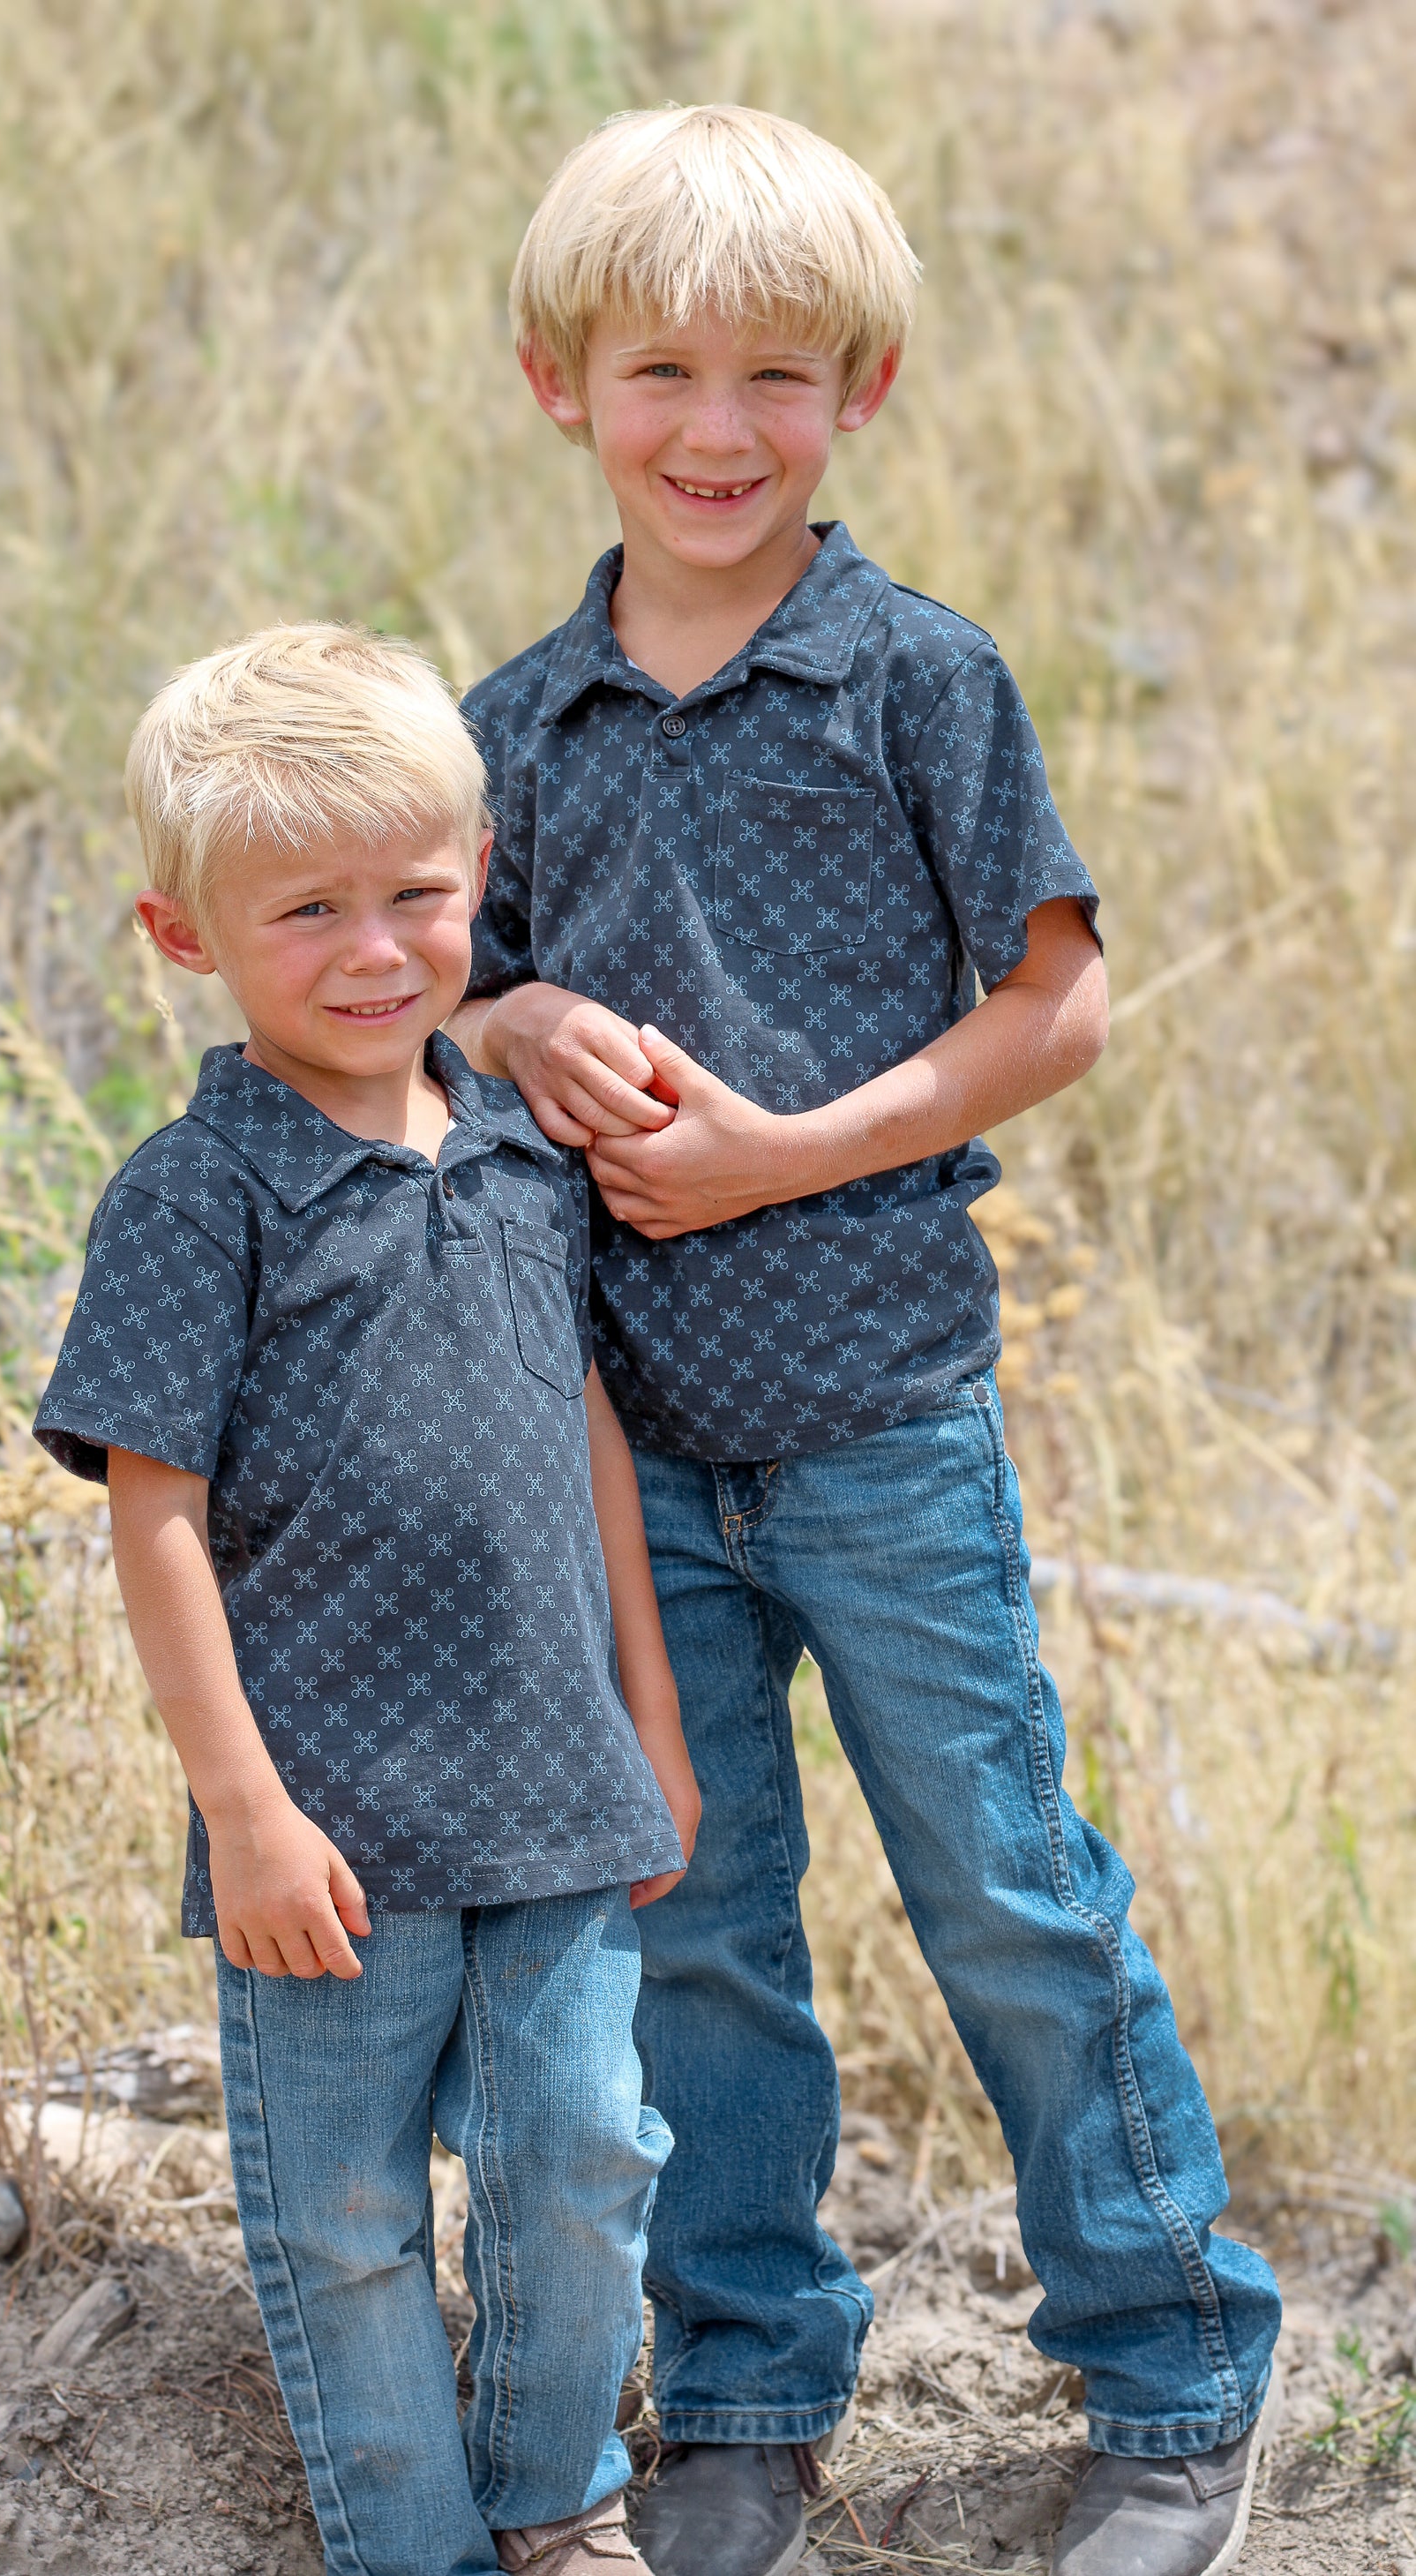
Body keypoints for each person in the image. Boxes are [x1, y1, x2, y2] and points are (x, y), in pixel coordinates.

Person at [450, 104, 1281, 2576]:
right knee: (695, 1926)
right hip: (630, 1454)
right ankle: (743, 2391)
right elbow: (423, 995)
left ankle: (1175, 2373)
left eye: (775, 378)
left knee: (1005, 1893)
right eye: (660, 373)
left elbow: (1057, 1007)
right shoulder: (513, 729)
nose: (716, 429)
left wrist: (777, 1154)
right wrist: (505, 1025)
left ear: (863, 393)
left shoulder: (916, 677)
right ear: (559, 387)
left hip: (882, 1417)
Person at [34, 624, 701, 2576]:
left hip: (557, 1786)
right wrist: (243, 1812)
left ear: (477, 871)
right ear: (185, 934)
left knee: (582, 2153)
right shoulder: (195, 1193)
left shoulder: (517, 1155)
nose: (374, 950)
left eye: (412, 894)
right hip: (322, 1828)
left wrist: (651, 1720)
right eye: (305, 910)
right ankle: (410, 2546)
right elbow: (154, 1517)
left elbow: (588, 1437)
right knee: (339, 2218)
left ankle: (555, 2501)